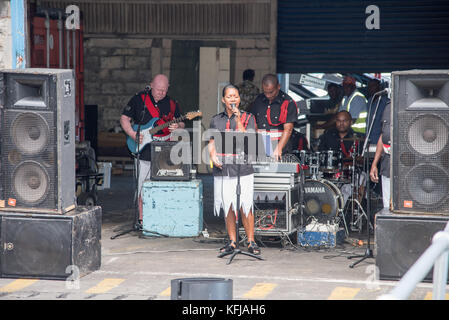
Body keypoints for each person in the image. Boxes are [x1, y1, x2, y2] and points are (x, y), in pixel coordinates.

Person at [120, 74, 185, 221]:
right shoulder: (139, 99)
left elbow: (181, 123)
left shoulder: (172, 103)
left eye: (164, 90)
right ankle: (142, 219)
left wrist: (178, 126)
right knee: (142, 185)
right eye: (158, 90)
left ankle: (161, 217)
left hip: (164, 151)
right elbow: (124, 118)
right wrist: (131, 133)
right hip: (143, 151)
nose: (162, 93)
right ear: (151, 86)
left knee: (163, 185)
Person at [209, 84, 260, 255]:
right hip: (223, 169)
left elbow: (250, 141)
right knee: (228, 205)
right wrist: (213, 155)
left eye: (235, 96)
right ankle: (232, 241)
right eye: (229, 96)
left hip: (242, 168)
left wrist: (238, 120)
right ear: (223, 100)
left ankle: (251, 241)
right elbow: (211, 142)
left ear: (239, 99)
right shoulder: (216, 120)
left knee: (245, 205)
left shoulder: (248, 117)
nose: (233, 99)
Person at [318, 110, 365, 205]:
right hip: (329, 172)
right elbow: (321, 154)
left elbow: (361, 159)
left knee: (362, 178)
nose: (341, 124)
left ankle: (346, 209)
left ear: (350, 122)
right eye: (338, 121)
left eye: (344, 121)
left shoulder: (358, 138)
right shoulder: (327, 136)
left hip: (350, 172)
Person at [249, 73, 298, 160]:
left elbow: (288, 129)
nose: (268, 95)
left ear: (278, 86)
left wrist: (278, 149)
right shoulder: (258, 100)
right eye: (265, 92)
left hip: (280, 151)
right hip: (261, 149)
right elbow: (253, 123)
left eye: (271, 92)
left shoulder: (288, 102)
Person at [369, 101, 391, 209]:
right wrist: (374, 164)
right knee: (387, 205)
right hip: (387, 163)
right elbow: (383, 136)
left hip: (407, 163)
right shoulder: (388, 107)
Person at [366, 78, 389, 145]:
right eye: (369, 86)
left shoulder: (386, 102)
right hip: (369, 138)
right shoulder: (369, 101)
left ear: (379, 87)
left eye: (373, 86)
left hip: (379, 139)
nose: (371, 88)